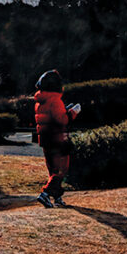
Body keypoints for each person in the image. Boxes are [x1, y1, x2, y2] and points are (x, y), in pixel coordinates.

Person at [32, 70, 80, 208]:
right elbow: (62, 120)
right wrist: (73, 112)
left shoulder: (40, 102)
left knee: (53, 170)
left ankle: (57, 197)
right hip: (58, 139)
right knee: (61, 169)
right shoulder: (55, 100)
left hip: (45, 139)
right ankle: (45, 194)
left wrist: (65, 110)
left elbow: (51, 117)